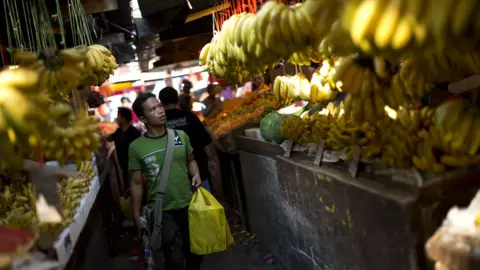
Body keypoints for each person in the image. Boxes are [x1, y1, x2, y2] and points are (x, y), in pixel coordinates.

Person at [129, 92, 203, 270]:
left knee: (196, 253)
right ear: (142, 118)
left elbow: (190, 159)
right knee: (174, 258)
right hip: (162, 211)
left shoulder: (179, 136)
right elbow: (137, 183)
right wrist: (136, 215)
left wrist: (196, 173)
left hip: (188, 204)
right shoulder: (136, 147)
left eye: (160, 106)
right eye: (153, 109)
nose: (160, 111)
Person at [159, 87, 216, 192]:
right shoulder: (190, 117)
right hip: (199, 170)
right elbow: (205, 141)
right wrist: (211, 159)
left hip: (174, 177)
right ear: (177, 100)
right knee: (204, 204)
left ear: (161, 102)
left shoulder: (159, 124)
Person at [107, 108, 141, 192]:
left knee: (134, 189)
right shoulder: (118, 132)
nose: (116, 118)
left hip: (133, 168)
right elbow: (109, 138)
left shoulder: (134, 133)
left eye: (118, 116)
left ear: (124, 119)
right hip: (122, 167)